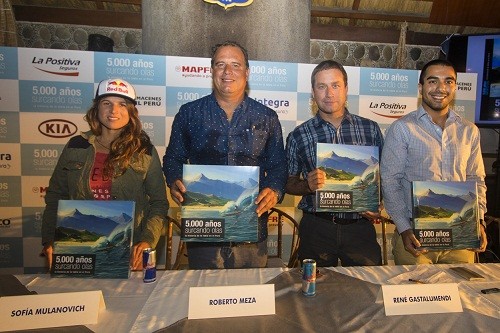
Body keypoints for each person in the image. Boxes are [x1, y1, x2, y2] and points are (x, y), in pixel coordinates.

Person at [163, 41, 287, 269]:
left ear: (247, 72)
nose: (227, 72)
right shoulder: (189, 113)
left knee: (250, 300)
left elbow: (279, 165)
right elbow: (173, 158)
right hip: (203, 233)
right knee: (204, 299)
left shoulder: (267, 117)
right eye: (220, 64)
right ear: (211, 71)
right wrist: (174, 181)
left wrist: (275, 190)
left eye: (235, 65)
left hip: (251, 231)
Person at [41, 78, 169, 271]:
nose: (113, 111)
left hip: (130, 250)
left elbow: (159, 203)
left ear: (131, 112)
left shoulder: (145, 151)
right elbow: (55, 197)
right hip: (77, 252)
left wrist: (147, 240)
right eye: (106, 103)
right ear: (96, 108)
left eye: (122, 105)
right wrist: (51, 240)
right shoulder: (76, 146)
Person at [380, 59, 488, 264]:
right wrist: (403, 228)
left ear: (455, 87)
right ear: (421, 88)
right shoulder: (403, 128)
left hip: (461, 238)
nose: (441, 88)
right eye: (433, 81)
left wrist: (479, 220)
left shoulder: (469, 130)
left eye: (448, 81)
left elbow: (476, 179)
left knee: (462, 295)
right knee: (416, 295)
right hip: (416, 239)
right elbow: (390, 181)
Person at [285, 60, 383, 267]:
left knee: (366, 290)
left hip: (360, 227)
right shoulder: (299, 135)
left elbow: (385, 177)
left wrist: (379, 202)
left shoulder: (371, 129)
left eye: (335, 85)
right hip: (317, 227)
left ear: (346, 89)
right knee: (314, 291)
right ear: (313, 92)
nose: (329, 93)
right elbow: (288, 182)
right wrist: (307, 185)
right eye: (322, 86)